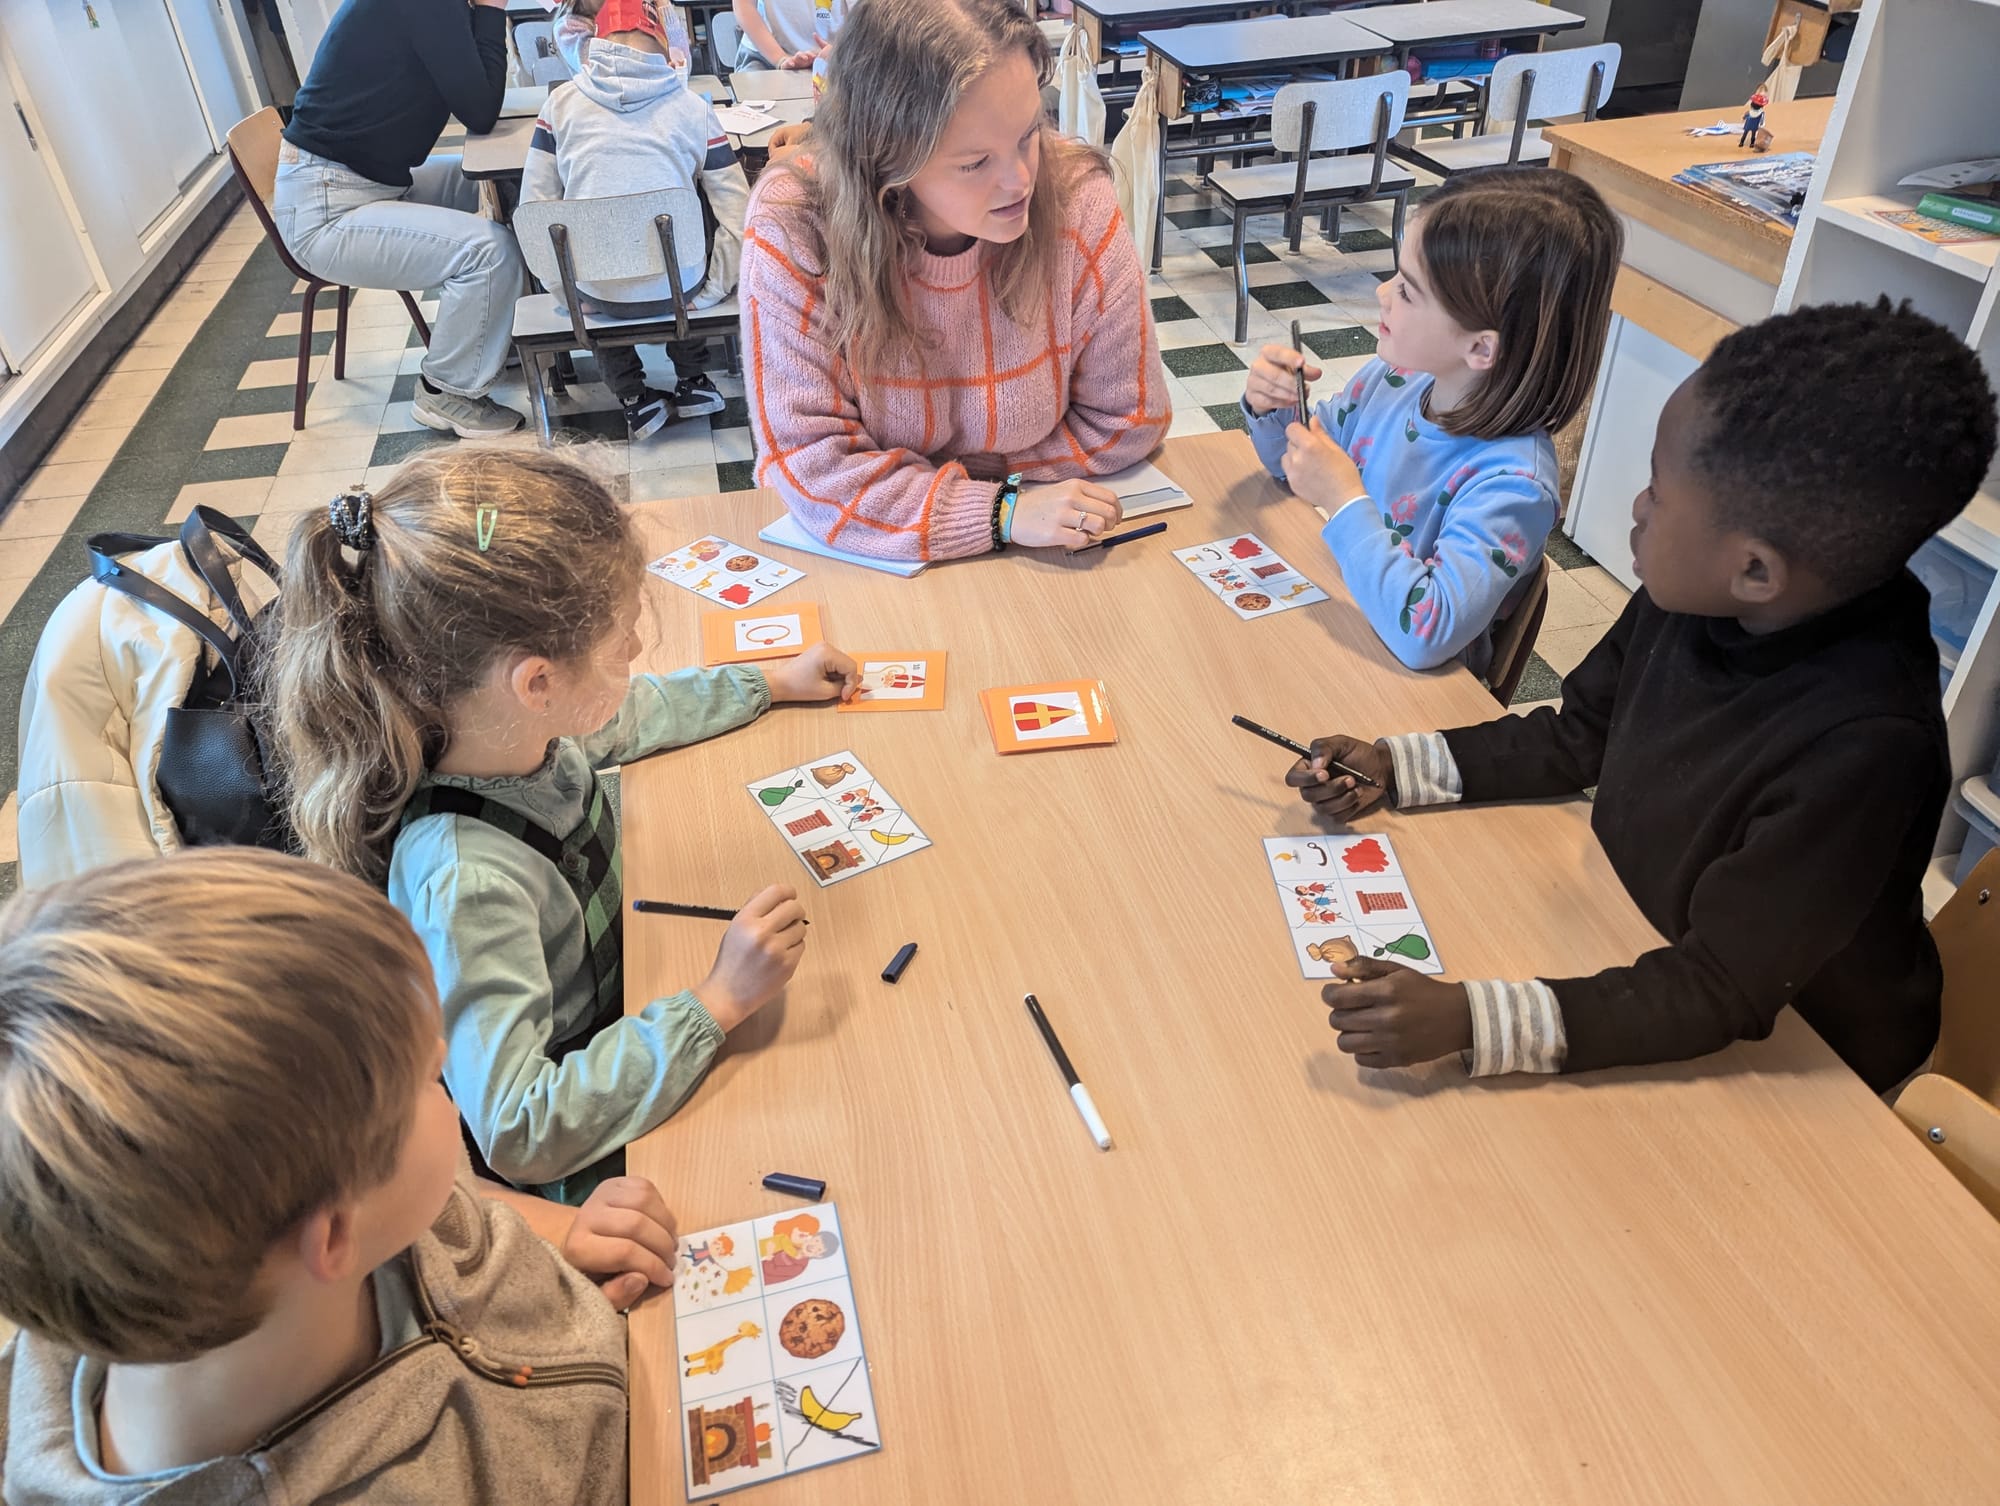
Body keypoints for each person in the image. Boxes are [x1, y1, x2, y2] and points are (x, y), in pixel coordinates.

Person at [1285, 300, 1996, 1093]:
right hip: (1637, 934)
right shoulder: (1702, 593)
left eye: (1657, 493)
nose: (1636, 507)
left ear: (1755, 569)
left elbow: (1717, 989)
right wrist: (1395, 762)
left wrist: (1470, 1020)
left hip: (1805, 1062)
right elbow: (1576, 735)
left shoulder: (1869, 747)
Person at [262, 448, 861, 1203]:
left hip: (633, 1006)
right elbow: (518, 1129)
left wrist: (768, 681)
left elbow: (629, 715)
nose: (637, 650)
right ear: (537, 683)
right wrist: (718, 1003)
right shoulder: (465, 878)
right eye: (620, 642)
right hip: (593, 1138)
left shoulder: (518, 731)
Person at [0, 848, 678, 1501]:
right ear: (332, 1238)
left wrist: (565, 1234)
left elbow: (448, 1202)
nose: (445, 1056)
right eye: (426, 1076)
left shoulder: (280, 1217)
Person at [738, 0, 1171, 562]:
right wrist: (1000, 508)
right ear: (886, 157)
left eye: (1027, 133)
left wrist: (944, 490)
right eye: (974, 163)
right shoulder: (795, 221)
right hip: (868, 567)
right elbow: (810, 467)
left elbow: (1131, 420)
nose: (1020, 180)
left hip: (1026, 546)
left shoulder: (1077, 197)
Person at [1243, 168, 1620, 675]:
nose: (1383, 293)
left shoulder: (1515, 486)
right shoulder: (1393, 378)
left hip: (1402, 690)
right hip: (1340, 626)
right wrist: (1276, 410)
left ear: (1481, 346)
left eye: (1409, 291)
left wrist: (1342, 498)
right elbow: (1292, 470)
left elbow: (1427, 636)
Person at [274, 0, 529, 438]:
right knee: (489, 253)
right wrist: (490, 10)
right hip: (330, 205)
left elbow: (475, 94)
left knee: (506, 181)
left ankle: (494, 338)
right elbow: (480, 109)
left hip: (369, 180)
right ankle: (444, 391)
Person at [523, 0, 750, 436]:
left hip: (593, 297)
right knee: (686, 222)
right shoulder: (694, 109)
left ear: (596, 42)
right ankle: (693, 380)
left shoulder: (558, 106)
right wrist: (711, 290)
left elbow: (533, 212)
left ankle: (633, 397)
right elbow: (738, 213)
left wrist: (567, 291)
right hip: (680, 290)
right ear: (665, 45)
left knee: (590, 244)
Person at [733, 0, 819, 69]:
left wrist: (830, 54)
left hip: (828, 56)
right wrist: (781, 59)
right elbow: (744, 5)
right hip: (764, 55)